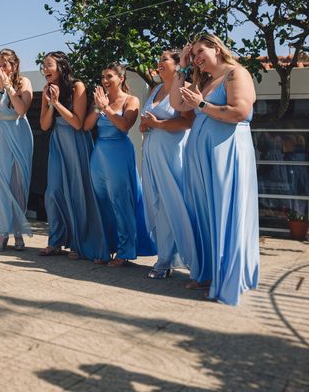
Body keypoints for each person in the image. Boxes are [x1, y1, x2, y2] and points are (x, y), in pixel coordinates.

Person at [169, 32, 259, 305]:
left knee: (223, 211)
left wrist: (203, 105)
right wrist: (182, 68)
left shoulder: (236, 74)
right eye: (193, 55)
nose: (196, 59)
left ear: (217, 49)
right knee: (205, 212)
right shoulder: (204, 82)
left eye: (199, 53)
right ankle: (207, 271)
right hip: (201, 156)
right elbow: (176, 103)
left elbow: (239, 112)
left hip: (227, 152)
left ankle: (226, 278)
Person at [38, 52, 109, 262]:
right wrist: (50, 103)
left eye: (48, 65)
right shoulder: (45, 90)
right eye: (43, 66)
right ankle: (56, 241)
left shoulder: (77, 86)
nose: (45, 70)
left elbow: (78, 123)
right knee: (53, 191)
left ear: (61, 66)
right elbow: (43, 125)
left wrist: (58, 103)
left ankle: (80, 243)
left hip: (76, 141)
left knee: (78, 191)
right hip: (58, 141)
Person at [85, 63, 156, 267]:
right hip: (99, 154)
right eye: (103, 77)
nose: (105, 81)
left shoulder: (131, 100)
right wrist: (99, 107)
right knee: (102, 202)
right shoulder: (100, 100)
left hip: (119, 152)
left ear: (121, 78)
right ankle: (106, 248)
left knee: (120, 201)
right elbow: (87, 126)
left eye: (109, 76)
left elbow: (125, 126)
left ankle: (125, 251)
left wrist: (106, 108)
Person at [138, 51, 195, 279]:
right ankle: (165, 257)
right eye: (158, 60)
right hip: (152, 154)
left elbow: (187, 121)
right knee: (159, 206)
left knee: (175, 205)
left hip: (172, 155)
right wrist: (145, 126)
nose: (159, 64)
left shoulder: (186, 88)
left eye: (164, 60)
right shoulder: (155, 90)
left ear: (177, 64)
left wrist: (158, 124)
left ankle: (181, 259)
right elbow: (148, 121)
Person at [0, 48, 34, 252]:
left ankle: (19, 232)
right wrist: (0, 90)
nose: (1, 67)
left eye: (5, 63)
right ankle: (3, 233)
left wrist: (9, 88)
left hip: (19, 131)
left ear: (14, 66)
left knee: (18, 183)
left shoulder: (24, 82)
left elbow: (21, 110)